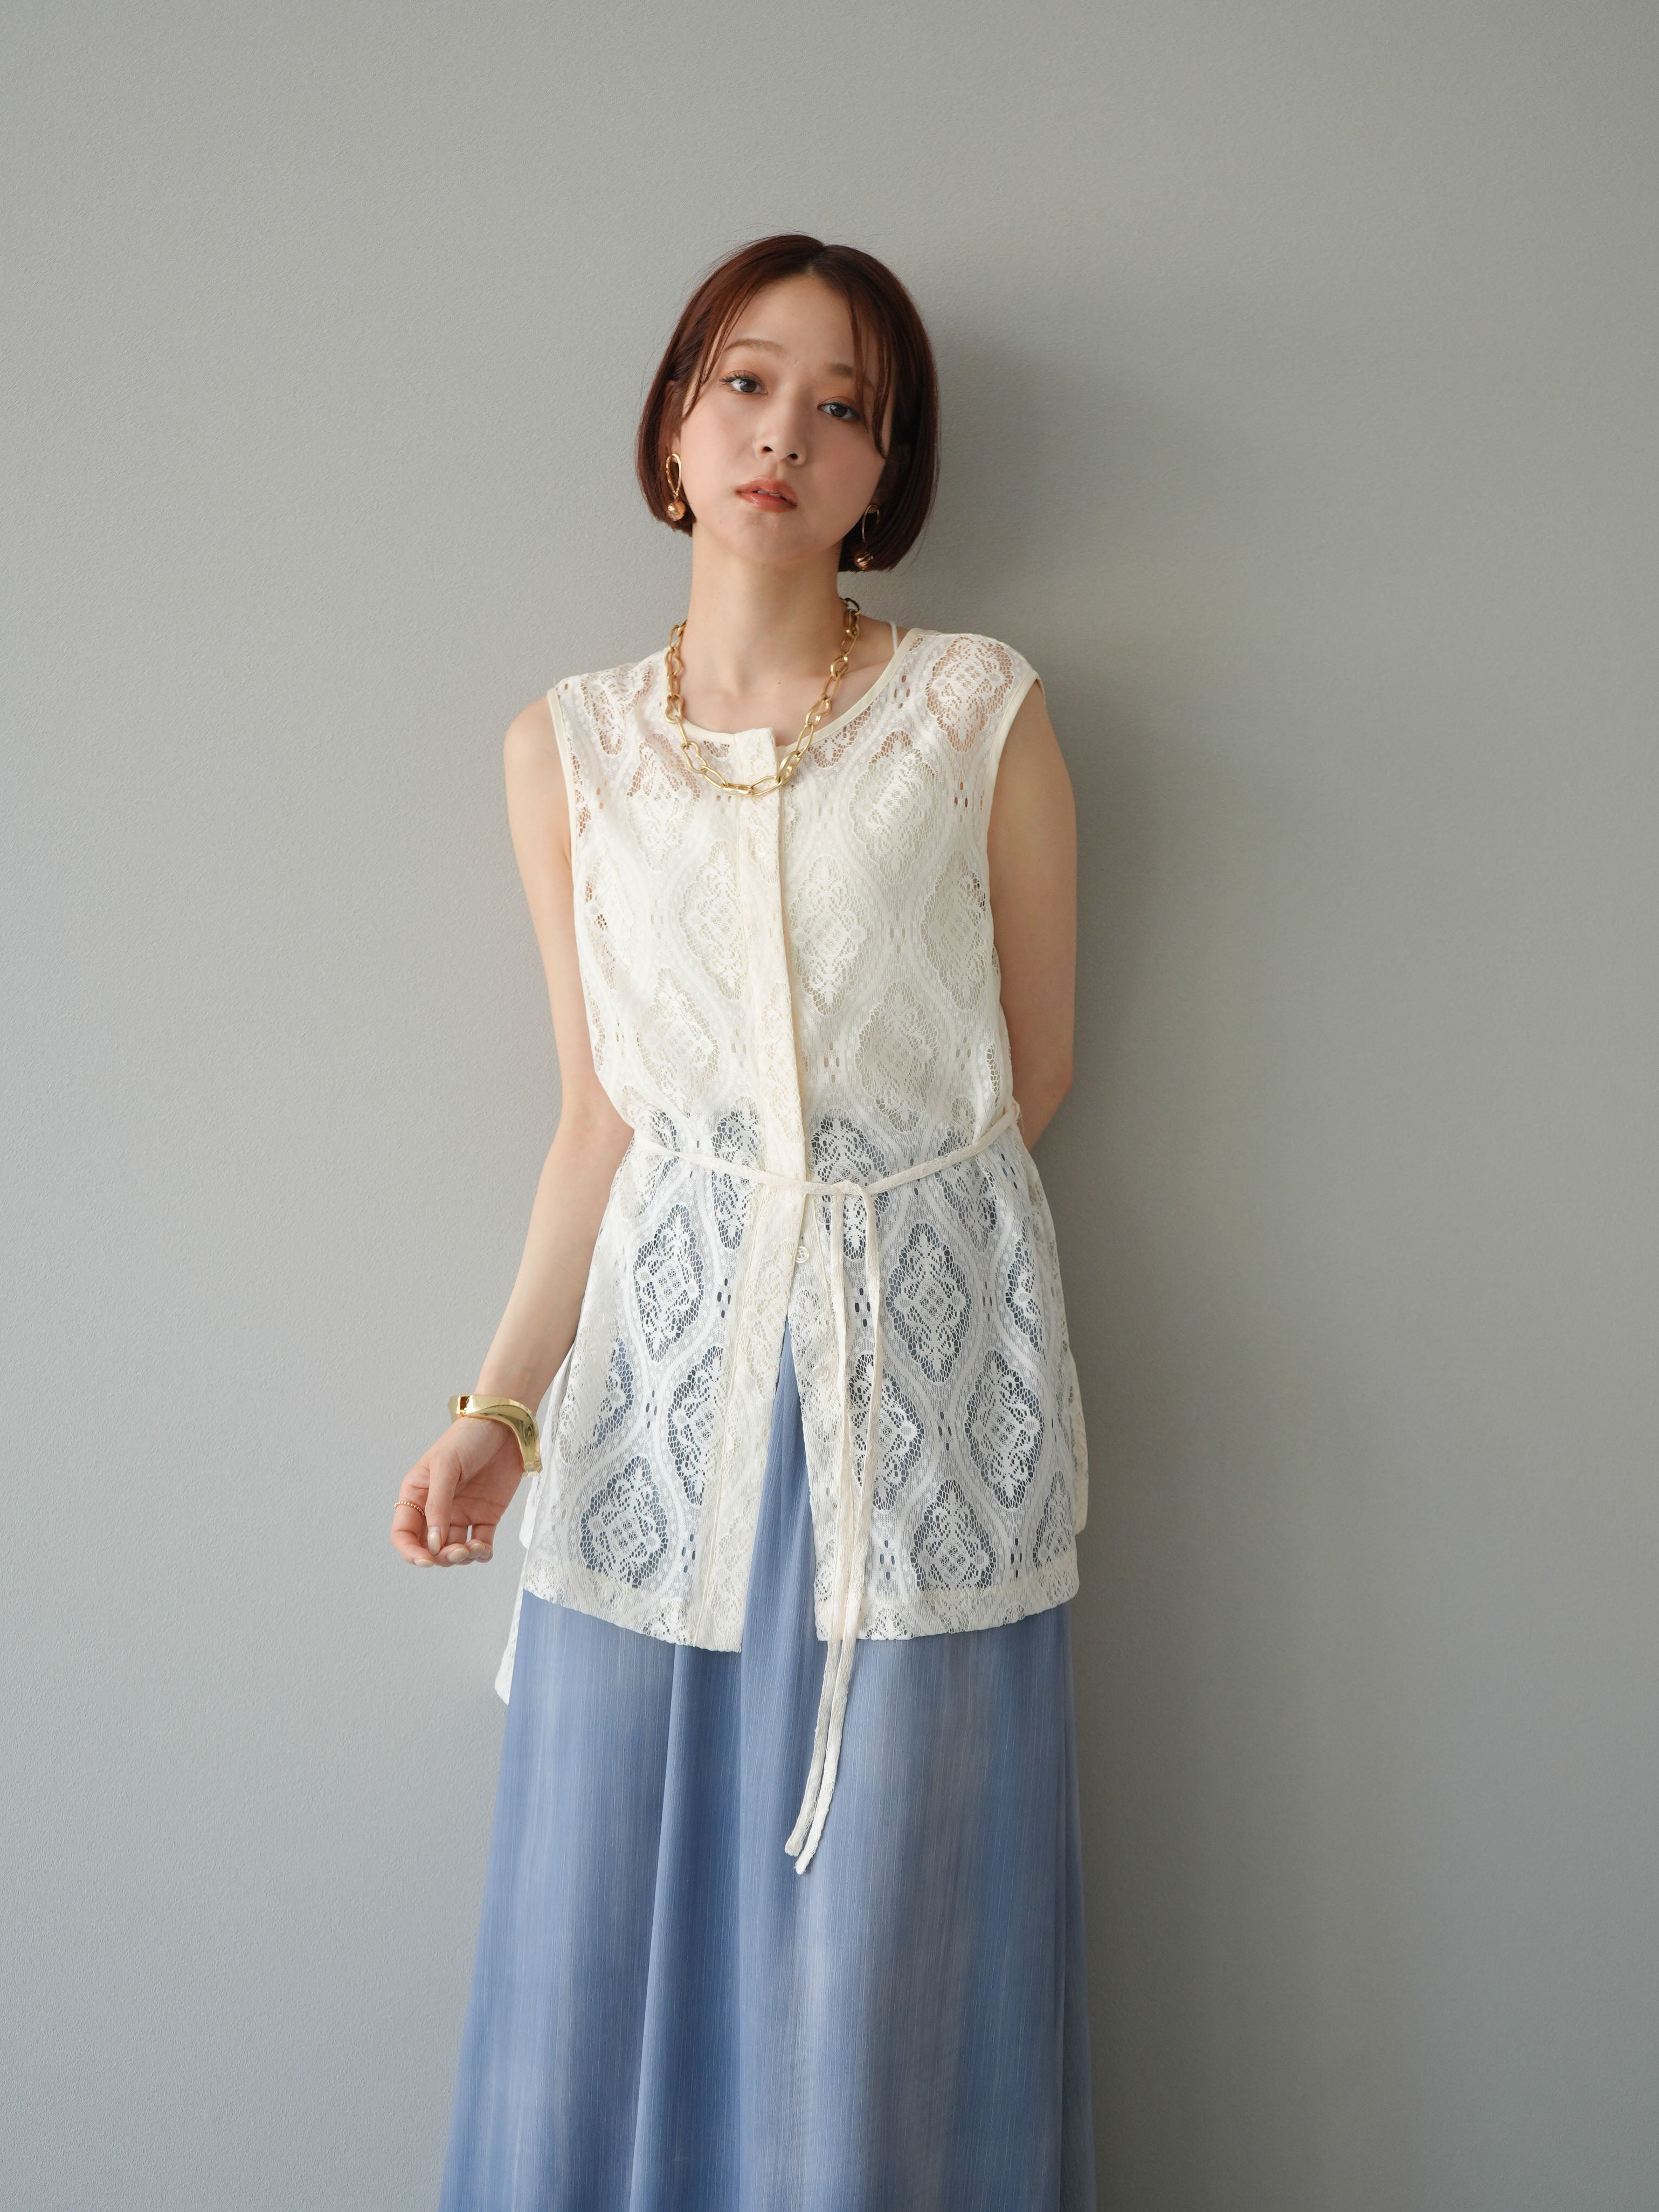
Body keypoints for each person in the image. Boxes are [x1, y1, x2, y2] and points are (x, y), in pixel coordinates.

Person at [392, 233, 1095, 2211]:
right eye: (747, 383)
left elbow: (1031, 1077)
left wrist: (864, 1269)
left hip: (920, 1420)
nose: (787, 433)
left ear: (888, 475)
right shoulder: (567, 752)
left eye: (845, 407)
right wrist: (501, 1413)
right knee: (597, 1940)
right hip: (664, 1415)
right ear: (675, 432)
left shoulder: (976, 712)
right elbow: (598, 1119)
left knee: (889, 1959)